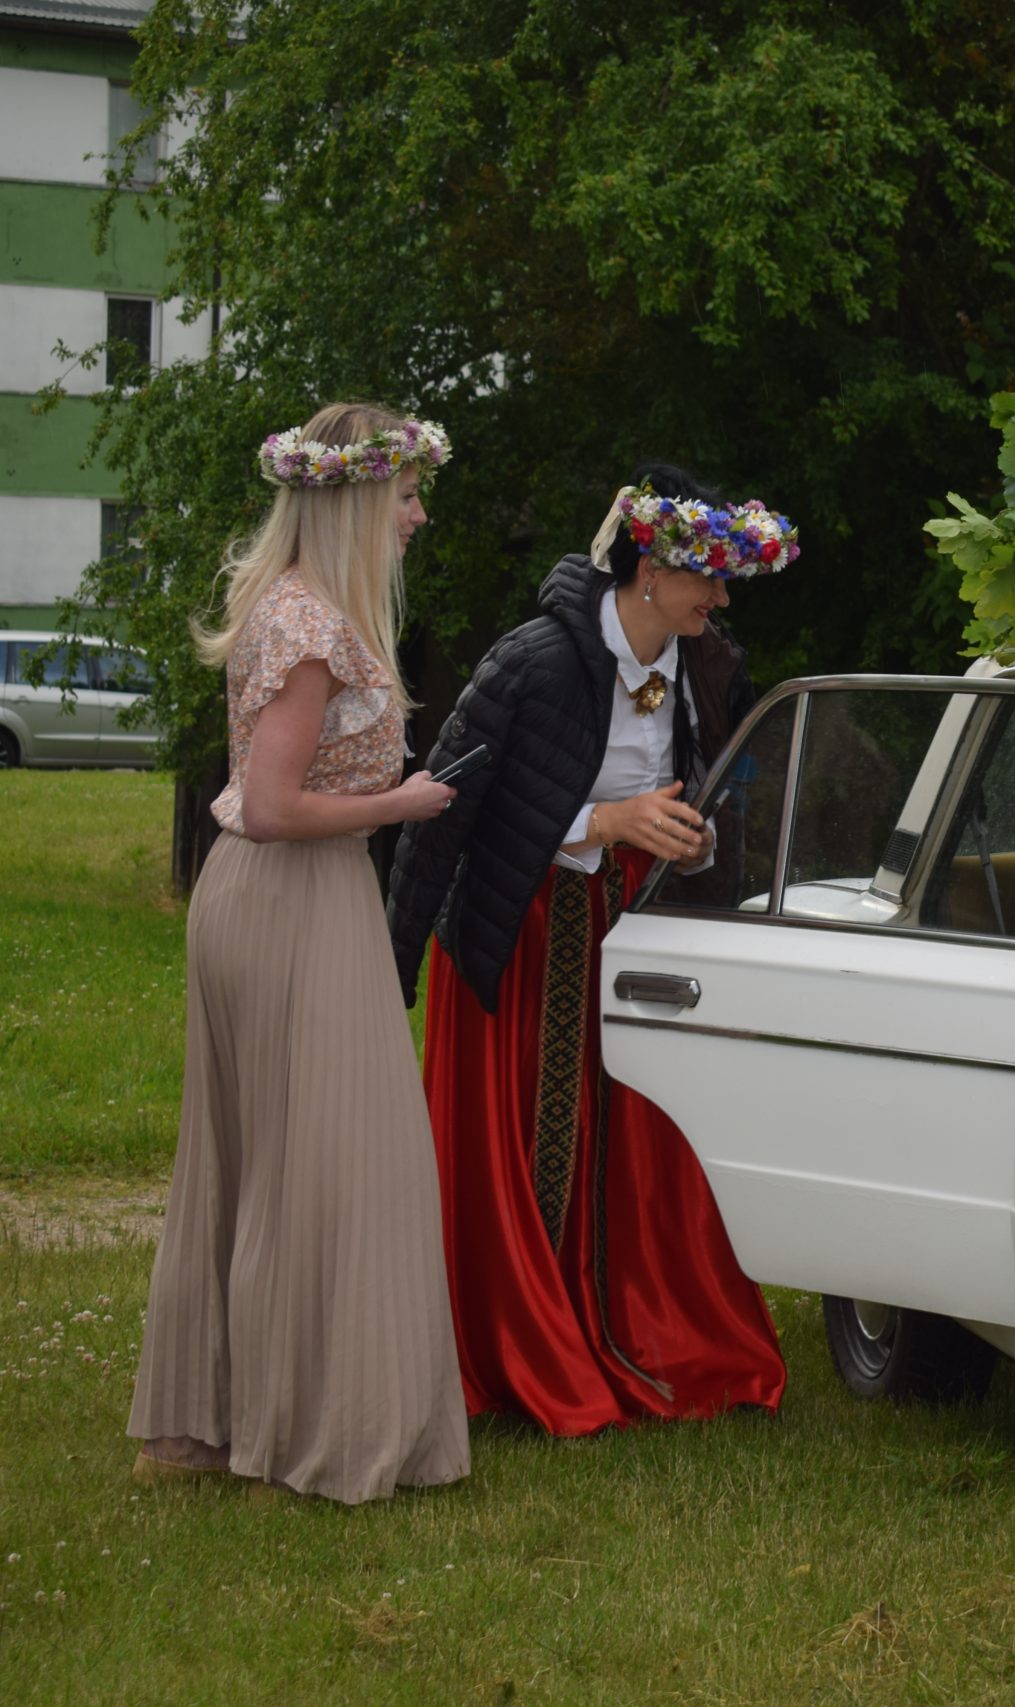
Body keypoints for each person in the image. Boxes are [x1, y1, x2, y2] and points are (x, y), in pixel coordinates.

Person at [385, 466, 798, 1435]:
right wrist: (390, 968)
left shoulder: (705, 665)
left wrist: (693, 839)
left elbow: (709, 791)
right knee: (533, 1139)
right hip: (523, 927)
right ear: (650, 569)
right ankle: (528, 1343)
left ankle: (634, 1320)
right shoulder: (533, 659)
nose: (721, 597)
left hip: (633, 926)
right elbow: (448, 812)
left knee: (642, 1130)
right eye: (707, 575)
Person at [128, 402, 470, 1502]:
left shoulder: (299, 607)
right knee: (329, 1163)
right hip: (290, 895)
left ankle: (259, 1415)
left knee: (285, 1161)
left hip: (288, 894)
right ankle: (318, 1430)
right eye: (406, 496)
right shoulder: (310, 625)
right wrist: (400, 804)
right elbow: (272, 805)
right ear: (357, 501)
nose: (417, 516)